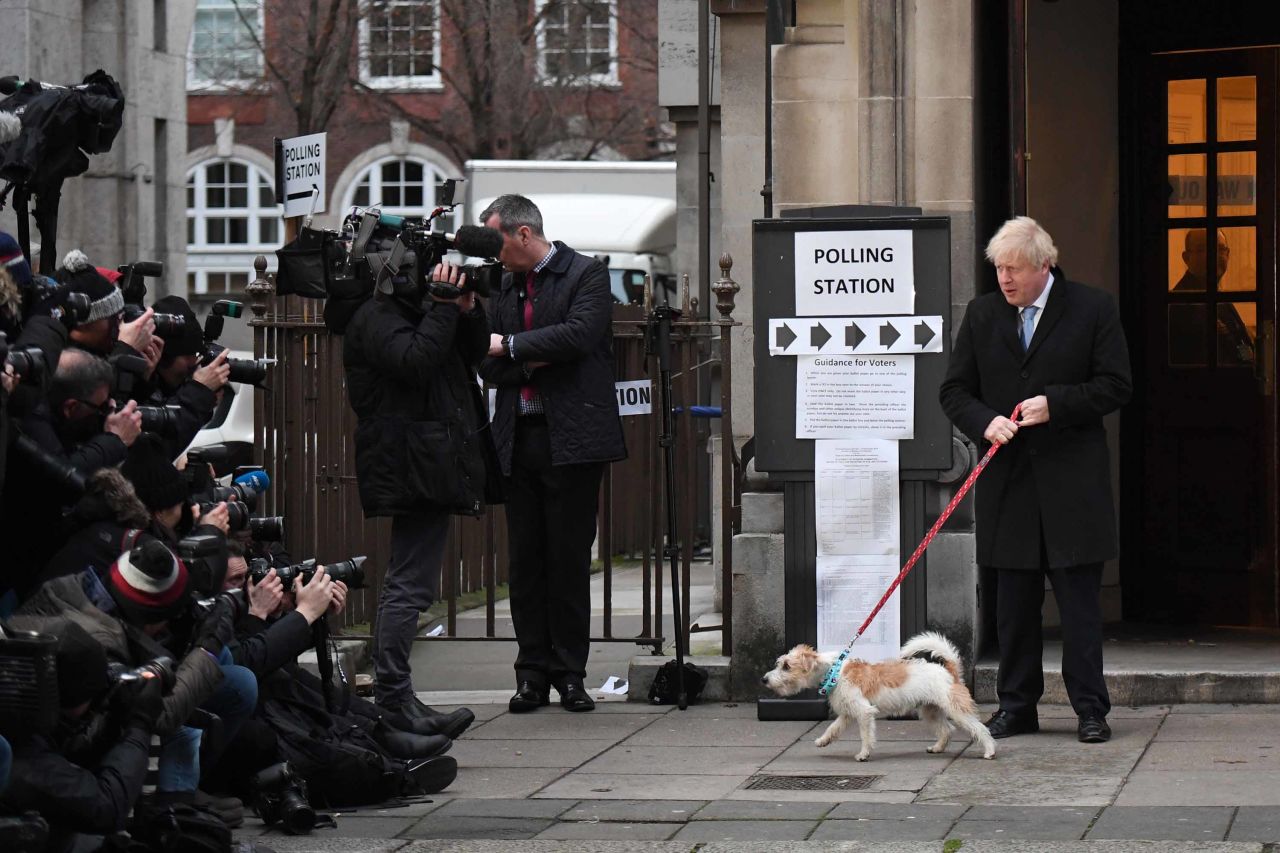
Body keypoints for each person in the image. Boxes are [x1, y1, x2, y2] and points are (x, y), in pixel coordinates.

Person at [938, 216, 1132, 744]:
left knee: (1079, 611)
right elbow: (954, 391)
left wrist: (1058, 404)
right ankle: (1016, 707)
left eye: (1015, 269)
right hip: (1011, 485)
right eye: (999, 268)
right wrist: (985, 421)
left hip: (1074, 485)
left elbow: (1117, 385)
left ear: (1044, 266)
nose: (1005, 279)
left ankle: (1091, 710)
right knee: (1014, 611)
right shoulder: (981, 315)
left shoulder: (1093, 308)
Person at [477, 194, 626, 714]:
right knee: (526, 563)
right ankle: (530, 674)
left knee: (566, 561)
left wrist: (513, 346)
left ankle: (570, 674)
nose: (494, 257)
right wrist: (533, 359)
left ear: (523, 234)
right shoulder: (500, 283)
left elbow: (580, 336)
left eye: (498, 243)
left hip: (575, 439)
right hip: (518, 437)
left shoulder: (585, 273)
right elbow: (485, 361)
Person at [342, 259, 492, 739]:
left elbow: (468, 356)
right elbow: (415, 362)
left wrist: (466, 311)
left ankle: (398, 695)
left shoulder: (418, 310)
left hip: (427, 458)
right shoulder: (376, 316)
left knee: (414, 581)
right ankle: (392, 698)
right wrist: (445, 308)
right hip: (409, 461)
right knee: (408, 583)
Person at [1170, 228, 1254, 366]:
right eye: (1203, 249)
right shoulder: (1181, 304)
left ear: (1228, 254)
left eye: (1220, 249)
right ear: (1186, 258)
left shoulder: (1219, 296)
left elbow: (1240, 343)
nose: (1213, 255)